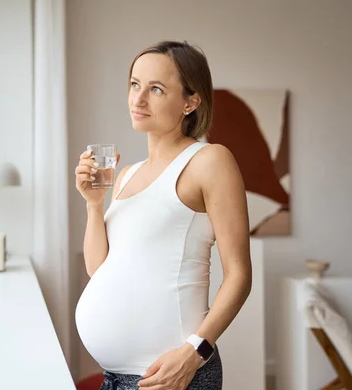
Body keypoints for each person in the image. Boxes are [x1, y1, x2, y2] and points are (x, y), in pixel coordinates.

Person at [74, 40, 252, 390]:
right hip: (115, 379)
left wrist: (194, 353)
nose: (138, 99)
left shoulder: (210, 161)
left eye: (156, 89)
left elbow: (239, 275)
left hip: (170, 378)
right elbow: (99, 269)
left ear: (191, 101)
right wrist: (94, 204)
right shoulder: (126, 174)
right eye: (135, 84)